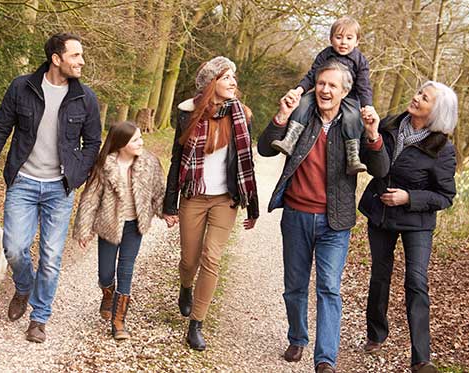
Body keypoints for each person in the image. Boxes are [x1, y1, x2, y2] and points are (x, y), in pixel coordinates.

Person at [258, 60, 388, 373]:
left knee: (329, 287)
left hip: (335, 222)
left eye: (332, 85)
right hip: (296, 215)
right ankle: (297, 336)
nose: (325, 90)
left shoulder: (354, 124)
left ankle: (325, 359)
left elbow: (381, 169)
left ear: (345, 92)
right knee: (295, 285)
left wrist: (373, 133)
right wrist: (281, 116)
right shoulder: (302, 116)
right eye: (321, 84)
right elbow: (264, 149)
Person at [0, 32, 102, 343]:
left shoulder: (86, 99)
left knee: (52, 255)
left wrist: (77, 175)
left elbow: (93, 142)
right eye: (75, 56)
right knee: (14, 247)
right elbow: (0, 128)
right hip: (23, 182)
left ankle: (39, 318)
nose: (81, 61)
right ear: (56, 59)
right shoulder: (22, 87)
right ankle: (24, 285)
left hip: (59, 188)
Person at [358, 81, 457, 373]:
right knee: (380, 274)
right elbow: (371, 161)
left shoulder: (443, 148)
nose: (415, 99)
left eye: (423, 98)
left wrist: (409, 197)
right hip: (381, 213)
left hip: (417, 222)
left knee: (416, 281)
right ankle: (376, 334)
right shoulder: (390, 124)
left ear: (435, 112)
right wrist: (371, 134)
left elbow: (445, 196)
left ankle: (421, 358)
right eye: (418, 93)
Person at [163, 56, 259, 351]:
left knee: (212, 257)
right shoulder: (188, 114)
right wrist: (170, 205)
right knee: (189, 259)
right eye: (226, 77)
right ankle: (185, 287)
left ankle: (196, 323)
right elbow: (177, 160)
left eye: (234, 77)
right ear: (210, 83)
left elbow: (247, 164)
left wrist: (252, 207)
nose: (233, 82)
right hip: (193, 196)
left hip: (224, 200)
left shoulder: (241, 116)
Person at [72, 121, 165, 340]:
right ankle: (108, 293)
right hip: (110, 224)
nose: (141, 142)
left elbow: (159, 191)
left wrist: (167, 212)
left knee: (126, 269)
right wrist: (84, 229)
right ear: (121, 143)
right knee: (105, 273)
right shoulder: (105, 165)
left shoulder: (149, 163)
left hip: (134, 226)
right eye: (135, 140)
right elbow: (90, 198)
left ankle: (119, 320)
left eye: (141, 138)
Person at [271, 16, 373, 175]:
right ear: (331, 39)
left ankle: (353, 156)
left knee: (353, 117)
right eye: (338, 38)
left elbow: (364, 86)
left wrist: (367, 106)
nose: (343, 42)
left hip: (349, 96)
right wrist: (299, 90)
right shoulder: (325, 55)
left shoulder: (360, 60)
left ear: (357, 41)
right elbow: (312, 75)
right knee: (303, 103)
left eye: (349, 38)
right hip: (320, 90)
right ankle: (290, 139)